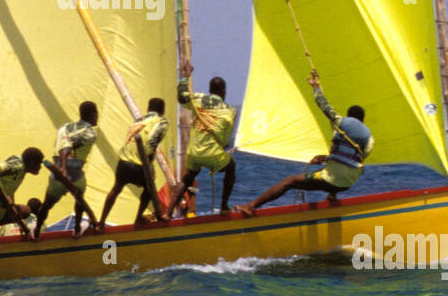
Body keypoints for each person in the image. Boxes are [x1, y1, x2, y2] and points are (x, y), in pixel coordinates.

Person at [238, 72, 374, 216]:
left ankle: (251, 206)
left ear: (349, 115)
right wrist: (326, 158)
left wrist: (316, 88)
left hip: (331, 180)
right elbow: (350, 159)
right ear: (362, 120)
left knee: (289, 181)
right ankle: (332, 197)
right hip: (348, 184)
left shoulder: (342, 122)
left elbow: (324, 106)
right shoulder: (370, 139)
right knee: (335, 173)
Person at [169, 69, 237, 215]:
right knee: (231, 167)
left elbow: (181, 97)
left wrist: (185, 78)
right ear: (224, 92)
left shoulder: (198, 99)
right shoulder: (230, 110)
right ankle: (224, 206)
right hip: (212, 154)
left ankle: (167, 213)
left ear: (209, 90)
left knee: (188, 178)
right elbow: (225, 141)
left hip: (193, 153)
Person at [95, 98, 170, 230]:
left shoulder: (138, 121)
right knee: (149, 187)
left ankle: (101, 222)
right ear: (162, 110)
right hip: (138, 162)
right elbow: (151, 144)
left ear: (148, 109)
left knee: (116, 188)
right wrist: (150, 168)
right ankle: (138, 219)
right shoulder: (162, 121)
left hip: (123, 162)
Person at [34, 101, 99, 235]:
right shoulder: (90, 133)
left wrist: (61, 168)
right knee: (79, 201)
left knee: (47, 204)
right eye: (96, 114)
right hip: (73, 174)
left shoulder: (64, 127)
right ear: (93, 115)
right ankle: (76, 230)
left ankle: (36, 232)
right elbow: (66, 148)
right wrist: (64, 168)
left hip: (57, 173)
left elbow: (62, 147)